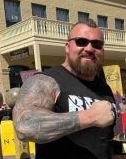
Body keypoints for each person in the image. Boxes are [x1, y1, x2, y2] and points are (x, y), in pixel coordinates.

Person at [12, 19, 116, 159]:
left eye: (96, 44)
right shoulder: (46, 80)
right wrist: (90, 117)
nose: (90, 48)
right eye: (81, 41)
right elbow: (25, 126)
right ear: (67, 47)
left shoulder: (104, 89)